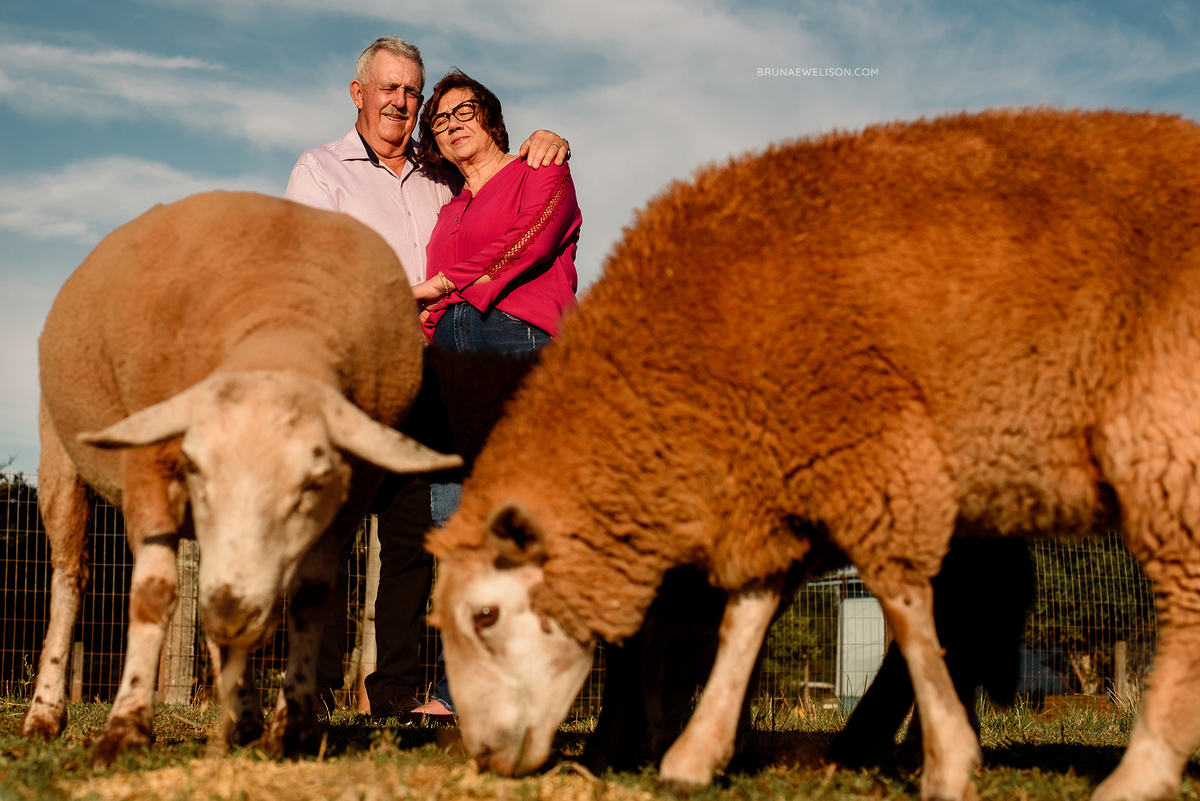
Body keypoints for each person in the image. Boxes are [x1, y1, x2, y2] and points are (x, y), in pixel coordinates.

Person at [284, 37, 569, 724]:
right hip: (354, 371)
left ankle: (394, 696)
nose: (402, 103)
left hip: (432, 375)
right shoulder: (321, 172)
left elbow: (508, 209)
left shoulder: (440, 175)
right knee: (328, 531)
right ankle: (312, 692)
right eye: (388, 88)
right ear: (359, 94)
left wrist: (545, 139)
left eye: (412, 93)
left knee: (417, 536)